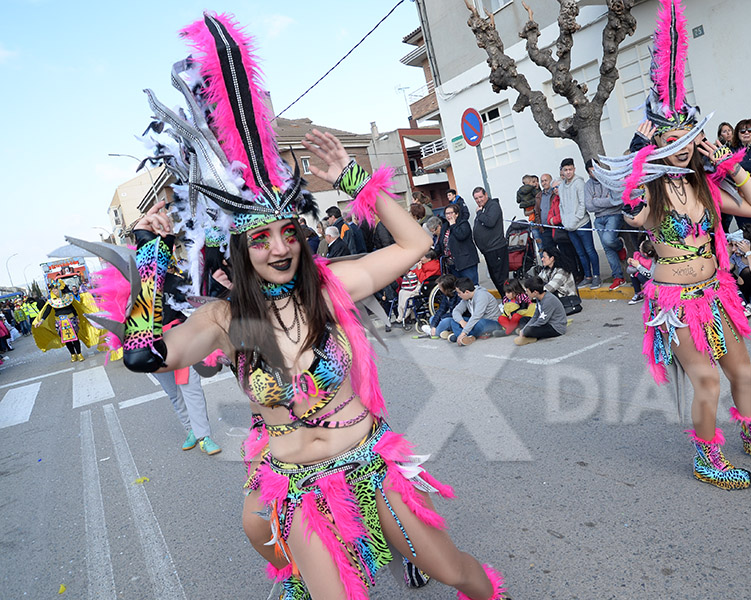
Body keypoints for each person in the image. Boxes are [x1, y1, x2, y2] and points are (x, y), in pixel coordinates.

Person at [89, 14, 509, 600]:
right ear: (241, 248)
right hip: (295, 485)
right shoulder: (222, 319)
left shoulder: (331, 285)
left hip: (367, 465)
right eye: (261, 239)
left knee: (455, 571)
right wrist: (154, 258)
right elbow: (144, 356)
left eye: (288, 232)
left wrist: (358, 181)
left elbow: (416, 244)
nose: (280, 248)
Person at [592, 0, 751, 490]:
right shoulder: (650, 190)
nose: (686, 145)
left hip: (716, 292)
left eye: (691, 136)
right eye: (676, 138)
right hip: (675, 303)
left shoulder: (707, 185)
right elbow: (623, 205)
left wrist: (729, 164)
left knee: (743, 372)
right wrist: (635, 155)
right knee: (705, 380)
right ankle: (707, 457)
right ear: (659, 142)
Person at [153, 265, 221, 455]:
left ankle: (204, 436)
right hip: (151, 347)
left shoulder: (174, 282)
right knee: (173, 392)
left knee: (191, 389)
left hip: (179, 340)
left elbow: (195, 308)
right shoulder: (134, 290)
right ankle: (190, 429)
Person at [558, 157, 602, 288]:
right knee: (580, 253)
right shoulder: (561, 187)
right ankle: (587, 276)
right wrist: (565, 221)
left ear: (574, 169)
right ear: (562, 171)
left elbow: (583, 205)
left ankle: (596, 276)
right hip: (569, 226)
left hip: (582, 224)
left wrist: (575, 219)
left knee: (589, 251)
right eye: (565, 170)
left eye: (570, 169)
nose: (568, 172)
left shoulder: (579, 183)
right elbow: (562, 206)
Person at [585, 159, 627, 290]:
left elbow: (616, 201)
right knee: (607, 248)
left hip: (614, 215)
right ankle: (618, 277)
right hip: (599, 219)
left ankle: (619, 245)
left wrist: (596, 201)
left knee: (608, 240)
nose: (595, 173)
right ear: (588, 172)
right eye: (592, 171)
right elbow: (589, 206)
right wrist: (605, 201)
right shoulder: (588, 185)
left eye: (596, 169)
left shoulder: (610, 179)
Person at [33, 283, 100, 361]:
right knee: (66, 340)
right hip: (59, 322)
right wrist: (41, 321)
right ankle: (73, 354)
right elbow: (47, 311)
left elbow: (73, 308)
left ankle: (79, 353)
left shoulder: (68, 297)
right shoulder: (51, 301)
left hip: (71, 320)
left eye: (56, 288)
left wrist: (77, 317)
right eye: (53, 289)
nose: (55, 291)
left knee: (75, 338)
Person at [472, 187, 509, 292]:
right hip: (488, 250)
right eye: (476, 198)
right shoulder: (483, 208)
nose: (479, 200)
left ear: (486, 195)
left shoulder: (493, 206)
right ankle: (504, 299)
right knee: (495, 277)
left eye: (480, 197)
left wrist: (479, 213)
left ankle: (510, 301)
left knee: (501, 278)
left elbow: (490, 222)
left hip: (496, 248)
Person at [446, 277, 502, 344]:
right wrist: (462, 322)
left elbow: (476, 316)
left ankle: (460, 335)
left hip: (492, 322)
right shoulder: (467, 297)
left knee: (480, 323)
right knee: (454, 320)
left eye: (459, 293)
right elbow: (456, 311)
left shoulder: (481, 296)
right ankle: (465, 338)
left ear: (466, 292)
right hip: (477, 322)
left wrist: (464, 332)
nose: (458, 295)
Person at [514, 276, 568, 345]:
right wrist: (525, 328)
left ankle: (527, 335)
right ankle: (526, 334)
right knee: (523, 320)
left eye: (527, 291)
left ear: (535, 292)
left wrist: (526, 330)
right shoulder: (538, 297)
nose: (526, 293)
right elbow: (536, 316)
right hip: (546, 322)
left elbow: (542, 321)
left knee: (529, 330)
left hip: (555, 327)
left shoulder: (548, 301)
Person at [535, 246, 580, 314]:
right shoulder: (547, 269)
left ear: (552, 258)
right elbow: (537, 280)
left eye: (544, 257)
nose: (542, 259)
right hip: (555, 297)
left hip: (565, 298)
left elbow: (549, 288)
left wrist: (533, 293)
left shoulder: (562, 271)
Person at [444, 204, 480, 284]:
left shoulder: (463, 223)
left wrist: (453, 225)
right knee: (459, 288)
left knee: (471, 285)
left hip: (466, 262)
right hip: (452, 264)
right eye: (447, 213)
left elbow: (461, 236)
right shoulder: (445, 226)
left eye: (451, 213)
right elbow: (442, 242)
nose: (449, 216)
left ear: (457, 214)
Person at [426, 274, 460, 339]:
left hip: (457, 318)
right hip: (449, 316)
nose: (439, 288)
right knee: (432, 318)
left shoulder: (458, 295)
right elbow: (441, 310)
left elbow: (456, 313)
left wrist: (442, 318)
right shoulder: (446, 295)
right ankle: (442, 331)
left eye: (440, 287)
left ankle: (433, 332)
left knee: (446, 321)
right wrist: (434, 325)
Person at [626, 239, 655, 305]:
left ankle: (650, 293)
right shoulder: (643, 256)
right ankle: (638, 294)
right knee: (633, 274)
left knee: (638, 274)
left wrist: (638, 266)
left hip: (654, 281)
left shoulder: (654, 260)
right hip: (647, 276)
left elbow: (651, 275)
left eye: (640, 248)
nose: (639, 249)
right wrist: (631, 262)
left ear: (645, 253)